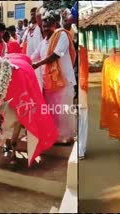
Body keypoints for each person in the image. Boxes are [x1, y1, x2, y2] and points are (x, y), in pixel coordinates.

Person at [31, 12, 76, 143]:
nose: (45, 29)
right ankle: (55, 135)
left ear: (55, 25)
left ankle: (67, 137)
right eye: (43, 26)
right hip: (49, 84)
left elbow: (57, 54)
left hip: (64, 81)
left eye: (48, 26)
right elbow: (33, 56)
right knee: (52, 111)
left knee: (64, 111)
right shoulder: (43, 42)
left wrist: (38, 64)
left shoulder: (61, 35)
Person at [78, 45, 89, 159]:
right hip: (81, 90)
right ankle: (81, 151)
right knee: (83, 122)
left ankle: (80, 150)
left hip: (77, 90)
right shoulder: (82, 51)